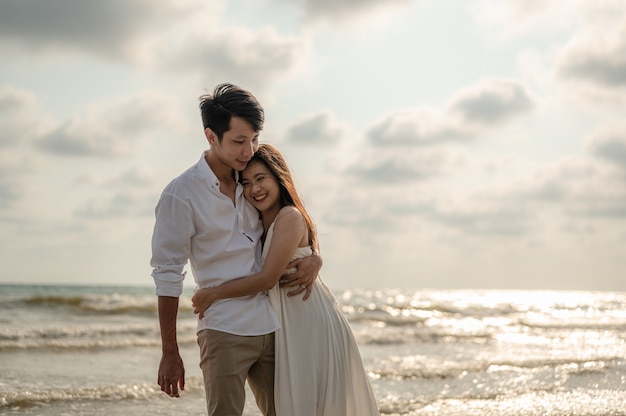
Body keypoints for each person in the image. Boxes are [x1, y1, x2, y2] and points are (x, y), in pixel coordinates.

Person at [150, 83, 322, 416]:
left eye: (254, 138)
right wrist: (170, 352)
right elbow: (167, 274)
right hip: (224, 329)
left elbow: (291, 224)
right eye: (239, 141)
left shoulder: (253, 182)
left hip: (274, 325)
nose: (249, 150)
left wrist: (314, 257)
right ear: (211, 137)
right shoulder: (181, 194)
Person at [191, 144, 381, 415]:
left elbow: (268, 278)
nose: (254, 189)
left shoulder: (289, 217)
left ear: (279, 178)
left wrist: (213, 293)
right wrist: (316, 255)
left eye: (261, 179)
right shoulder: (254, 220)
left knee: (313, 402)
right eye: (246, 182)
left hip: (309, 321)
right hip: (287, 323)